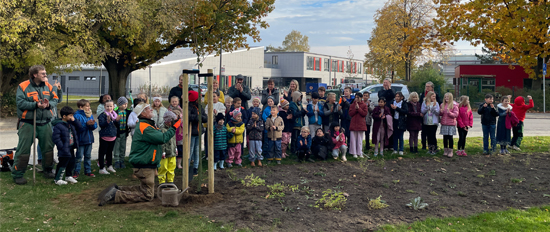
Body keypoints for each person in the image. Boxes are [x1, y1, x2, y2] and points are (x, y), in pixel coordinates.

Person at [97, 102, 180, 206]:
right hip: (144, 164)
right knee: (148, 195)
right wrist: (175, 126)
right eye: (148, 109)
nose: (151, 110)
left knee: (144, 188)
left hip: (144, 162)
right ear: (143, 114)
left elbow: (158, 134)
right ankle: (116, 195)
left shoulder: (146, 125)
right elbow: (162, 138)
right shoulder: (145, 127)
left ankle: (117, 189)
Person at [12, 65, 60, 184]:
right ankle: (18, 174)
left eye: (45, 73)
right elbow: (20, 103)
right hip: (28, 123)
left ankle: (48, 170)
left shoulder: (48, 86)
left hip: (45, 123)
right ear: (35, 75)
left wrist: (48, 105)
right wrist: (35, 105)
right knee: (23, 150)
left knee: (48, 148)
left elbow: (55, 99)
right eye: (42, 73)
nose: (45, 75)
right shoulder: (23, 86)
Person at [51, 106, 80, 185]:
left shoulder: (71, 124)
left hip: (70, 147)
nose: (72, 117)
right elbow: (56, 138)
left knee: (71, 162)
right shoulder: (59, 126)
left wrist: (75, 121)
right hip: (64, 148)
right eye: (70, 116)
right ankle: (57, 179)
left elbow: (80, 127)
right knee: (63, 163)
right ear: (64, 116)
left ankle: (68, 175)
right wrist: (61, 146)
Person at [73, 99, 98, 178]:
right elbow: (78, 127)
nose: (89, 108)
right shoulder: (77, 116)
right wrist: (86, 124)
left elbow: (95, 126)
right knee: (79, 157)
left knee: (88, 156)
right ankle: (76, 171)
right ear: (81, 107)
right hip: (81, 139)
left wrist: (92, 125)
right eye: (87, 106)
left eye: (89, 106)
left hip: (89, 139)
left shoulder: (89, 114)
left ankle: (88, 171)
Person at [97, 100, 119, 174]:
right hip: (104, 136)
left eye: (111, 106)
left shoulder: (115, 115)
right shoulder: (102, 115)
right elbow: (101, 124)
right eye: (107, 106)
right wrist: (107, 121)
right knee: (102, 153)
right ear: (104, 107)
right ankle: (102, 168)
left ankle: (109, 165)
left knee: (110, 152)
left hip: (112, 136)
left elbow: (116, 125)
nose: (109, 108)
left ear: (113, 107)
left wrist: (117, 121)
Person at [188, 90, 207, 175]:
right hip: (191, 132)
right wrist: (198, 117)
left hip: (199, 132)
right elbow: (189, 117)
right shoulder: (189, 107)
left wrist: (199, 117)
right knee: (190, 150)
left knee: (197, 150)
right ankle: (188, 167)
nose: (201, 99)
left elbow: (205, 118)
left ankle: (195, 167)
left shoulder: (200, 107)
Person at [420, 81, 442, 150]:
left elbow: (438, 108)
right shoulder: (423, 95)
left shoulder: (435, 96)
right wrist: (426, 107)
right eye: (426, 86)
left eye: (428, 86)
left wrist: (434, 107)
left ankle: (434, 147)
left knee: (432, 134)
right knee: (424, 132)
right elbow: (422, 107)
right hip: (426, 119)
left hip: (433, 120)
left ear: (432, 87)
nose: (427, 88)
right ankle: (425, 146)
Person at [158, 111, 178, 185]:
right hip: (165, 153)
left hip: (172, 151)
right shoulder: (162, 129)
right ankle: (162, 181)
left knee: (172, 166)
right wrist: (163, 151)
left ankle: (170, 180)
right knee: (163, 167)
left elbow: (174, 139)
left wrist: (175, 148)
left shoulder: (172, 129)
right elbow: (162, 142)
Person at [113, 97, 131, 169]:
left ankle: (122, 160)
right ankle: (116, 160)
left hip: (124, 132)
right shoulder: (115, 111)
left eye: (126, 104)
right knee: (117, 147)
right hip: (117, 132)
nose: (125, 105)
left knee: (123, 147)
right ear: (119, 104)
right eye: (124, 104)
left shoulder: (128, 112)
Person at [348, 92, 368, 158]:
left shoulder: (364, 105)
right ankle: (353, 152)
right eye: (355, 97)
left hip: (360, 124)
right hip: (353, 123)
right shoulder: (352, 105)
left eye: (358, 97)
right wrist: (355, 109)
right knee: (353, 139)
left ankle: (360, 152)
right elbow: (350, 113)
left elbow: (364, 114)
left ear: (361, 98)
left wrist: (358, 109)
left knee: (360, 139)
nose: (356, 99)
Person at [439, 93, 459, 157]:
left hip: (451, 124)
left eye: (448, 97)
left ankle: (450, 151)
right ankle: (445, 150)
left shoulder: (454, 105)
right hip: (444, 124)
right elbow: (441, 114)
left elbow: (455, 115)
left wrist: (449, 113)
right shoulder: (442, 105)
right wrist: (441, 112)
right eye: (445, 97)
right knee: (445, 137)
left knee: (450, 137)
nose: (446, 98)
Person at [378, 78, 395, 150]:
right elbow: (382, 96)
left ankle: (391, 145)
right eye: (384, 83)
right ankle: (385, 145)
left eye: (386, 83)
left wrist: (389, 89)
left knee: (390, 127)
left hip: (391, 112)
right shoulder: (381, 91)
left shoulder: (392, 90)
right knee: (384, 128)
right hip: (383, 111)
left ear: (390, 84)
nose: (385, 84)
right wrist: (386, 90)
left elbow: (392, 96)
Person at [391, 92, 408, 156]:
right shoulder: (393, 102)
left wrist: (397, 108)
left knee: (400, 136)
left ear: (401, 97)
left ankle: (401, 149)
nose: (397, 98)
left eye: (398, 96)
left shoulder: (403, 103)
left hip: (401, 121)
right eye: (396, 96)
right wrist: (392, 109)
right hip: (395, 120)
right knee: (395, 136)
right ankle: (395, 149)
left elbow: (405, 111)